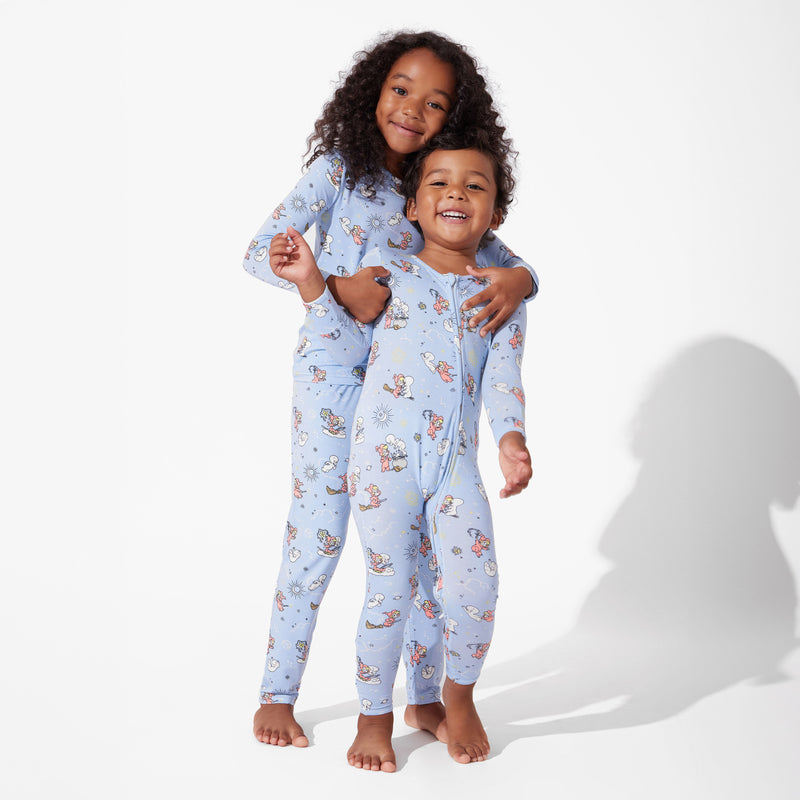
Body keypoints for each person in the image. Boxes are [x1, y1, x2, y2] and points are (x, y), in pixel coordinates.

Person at [244, 30, 538, 750]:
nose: (412, 109)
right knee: (320, 531)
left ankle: (425, 697)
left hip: (414, 394)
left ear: (453, 117)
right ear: (373, 91)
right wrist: (333, 285)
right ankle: (278, 693)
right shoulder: (339, 171)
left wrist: (524, 279)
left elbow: (508, 265)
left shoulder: (443, 185)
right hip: (334, 373)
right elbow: (258, 253)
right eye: (400, 90)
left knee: (427, 554)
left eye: (435, 102)